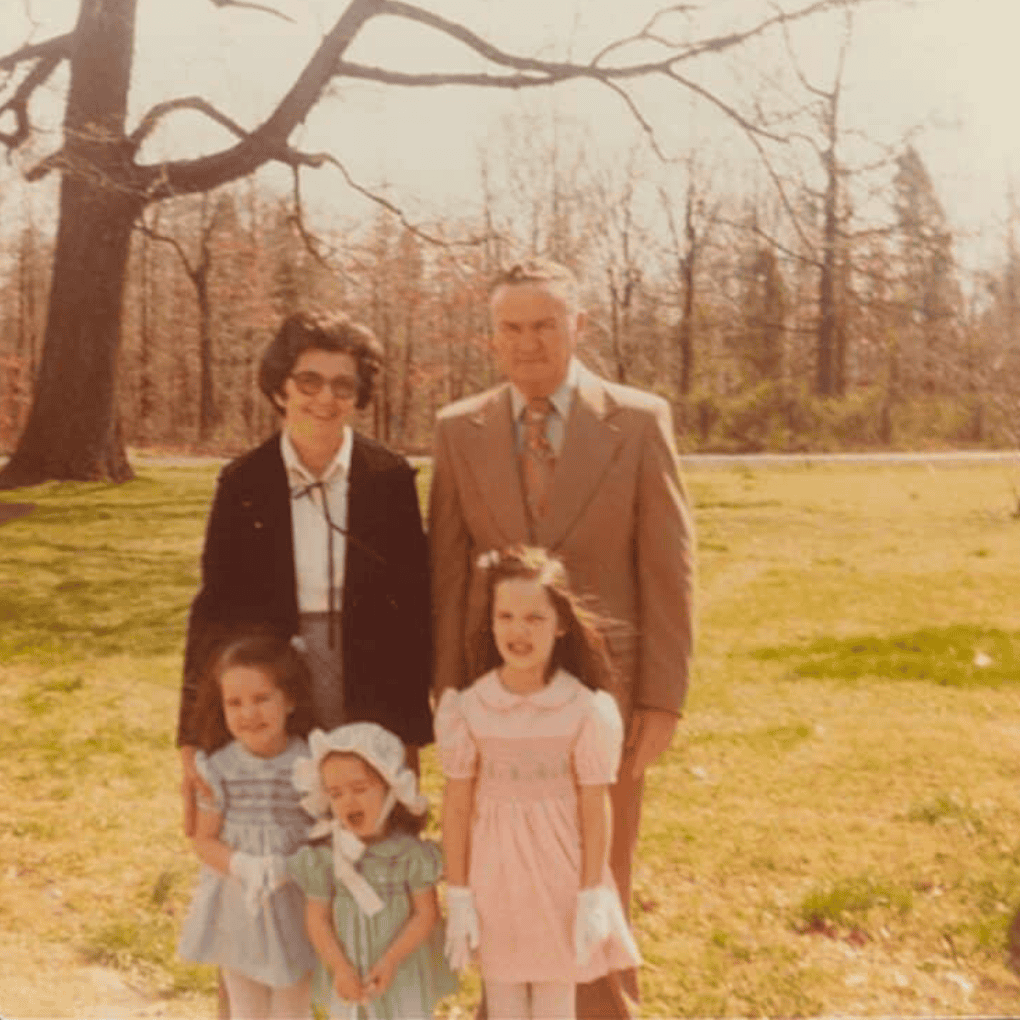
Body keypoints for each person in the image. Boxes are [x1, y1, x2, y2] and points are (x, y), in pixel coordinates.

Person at [428, 257, 696, 1015]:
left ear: (579, 326)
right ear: (492, 339)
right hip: (500, 701)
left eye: (545, 325)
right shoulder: (460, 430)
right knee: (505, 873)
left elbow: (669, 572)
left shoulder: (638, 421)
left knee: (596, 870)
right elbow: (448, 574)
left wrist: (662, 700)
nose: (528, 343)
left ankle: (608, 1009)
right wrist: (448, 692)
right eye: (511, 328)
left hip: (602, 701)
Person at [178, 309, 434, 838]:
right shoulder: (243, 481)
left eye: (344, 385)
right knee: (290, 822)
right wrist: (191, 735)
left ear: (360, 395)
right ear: (280, 388)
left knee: (375, 827)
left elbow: (413, 608)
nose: (325, 398)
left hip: (370, 669)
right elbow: (214, 609)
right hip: (279, 669)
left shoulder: (388, 478)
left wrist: (411, 730)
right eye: (308, 381)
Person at [436, 546, 640, 1020]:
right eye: (505, 616)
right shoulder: (470, 708)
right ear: (490, 621)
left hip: (559, 879)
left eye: (534, 618)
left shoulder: (583, 709)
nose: (518, 630)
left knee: (554, 1002)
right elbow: (459, 807)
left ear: (561, 624)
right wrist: (460, 892)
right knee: (504, 1000)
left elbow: (594, 805)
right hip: (495, 877)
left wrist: (592, 892)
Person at [177, 632, 318, 1019]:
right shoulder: (218, 768)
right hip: (238, 905)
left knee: (292, 1007)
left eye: (261, 699)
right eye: (234, 703)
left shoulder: (310, 763)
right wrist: (244, 865)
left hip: (294, 903)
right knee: (245, 1008)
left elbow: (324, 834)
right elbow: (204, 840)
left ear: (288, 700)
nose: (248, 713)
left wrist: (292, 865)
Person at [288, 722, 458, 1018]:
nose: (348, 801)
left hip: (401, 969)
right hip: (349, 974)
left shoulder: (409, 855)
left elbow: (426, 913)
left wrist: (391, 960)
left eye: (360, 789)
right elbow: (318, 919)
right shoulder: (326, 858)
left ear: (390, 789)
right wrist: (339, 967)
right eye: (336, 794)